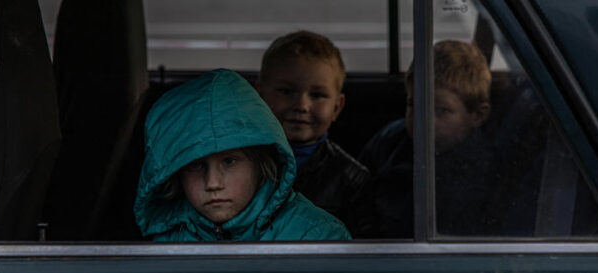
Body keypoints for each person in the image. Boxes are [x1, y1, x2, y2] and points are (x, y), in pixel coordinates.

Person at [134, 69, 351, 242]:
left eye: (229, 161)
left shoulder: (317, 238)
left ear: (261, 164)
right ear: (175, 172)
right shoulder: (170, 241)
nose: (213, 183)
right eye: (196, 165)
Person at [358, 40, 492, 238]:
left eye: (441, 110)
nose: (423, 119)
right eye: (414, 105)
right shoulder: (390, 140)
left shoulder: (480, 169)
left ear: (477, 116)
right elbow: (357, 192)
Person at [256, 30, 376, 238]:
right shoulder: (243, 163)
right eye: (286, 91)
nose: (302, 105)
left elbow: (363, 250)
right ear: (259, 97)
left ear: (337, 107)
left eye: (317, 95)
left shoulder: (351, 179)